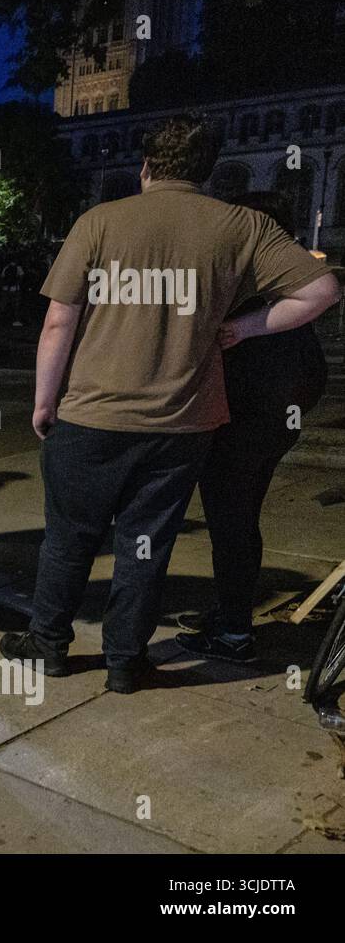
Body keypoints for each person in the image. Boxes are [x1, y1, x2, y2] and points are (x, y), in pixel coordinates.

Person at [0, 114, 339, 694]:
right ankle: (125, 661)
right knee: (145, 544)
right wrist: (248, 327)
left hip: (91, 415)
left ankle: (49, 645)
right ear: (208, 171)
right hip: (183, 424)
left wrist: (43, 401)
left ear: (146, 165)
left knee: (69, 537)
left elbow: (59, 320)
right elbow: (322, 288)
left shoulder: (100, 222)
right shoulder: (242, 226)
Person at [177, 191, 334, 663]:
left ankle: (233, 632)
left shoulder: (257, 292)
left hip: (244, 422)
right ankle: (230, 611)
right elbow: (313, 371)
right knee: (236, 521)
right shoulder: (283, 289)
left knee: (232, 522)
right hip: (266, 421)